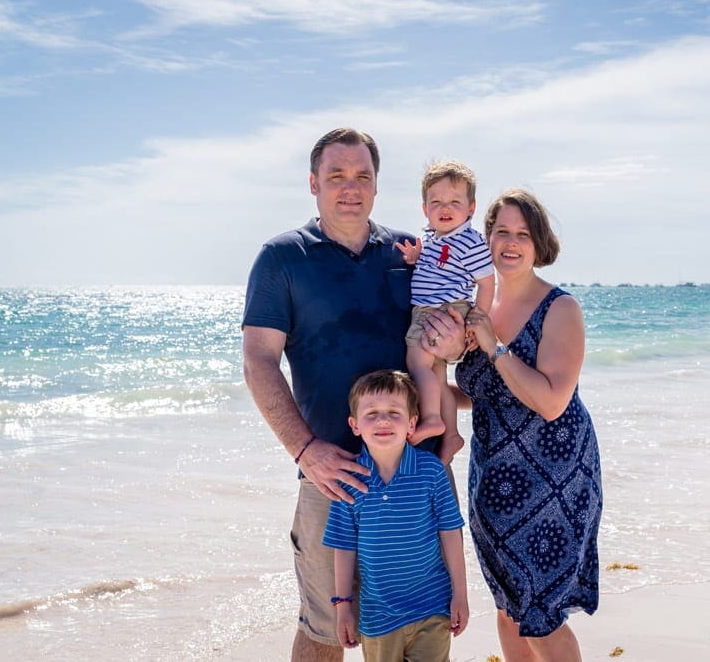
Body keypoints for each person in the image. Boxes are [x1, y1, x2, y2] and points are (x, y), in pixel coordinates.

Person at [241, 127, 466, 661]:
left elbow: (447, 339)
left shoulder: (411, 251)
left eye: (362, 176)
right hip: (332, 476)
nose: (350, 187)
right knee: (327, 629)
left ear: (376, 186)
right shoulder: (281, 259)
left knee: (420, 625)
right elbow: (258, 361)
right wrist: (304, 450)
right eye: (337, 175)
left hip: (417, 472)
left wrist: (459, 344)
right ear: (313, 183)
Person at [455, 189, 603, 662]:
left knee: (540, 613)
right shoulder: (478, 306)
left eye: (523, 234)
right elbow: (476, 395)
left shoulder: (561, 309)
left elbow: (551, 400)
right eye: (501, 232)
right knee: (507, 606)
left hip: (553, 481)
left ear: (539, 244)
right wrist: (427, 371)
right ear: (488, 238)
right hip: (493, 481)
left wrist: (495, 347)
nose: (511, 243)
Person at [322, 369, 469, 661]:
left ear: (412, 423)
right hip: (379, 617)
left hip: (433, 607)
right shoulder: (349, 480)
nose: (383, 420)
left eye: (394, 412)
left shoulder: (431, 471)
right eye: (372, 413)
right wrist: (343, 608)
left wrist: (460, 595)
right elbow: (344, 548)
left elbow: (451, 535)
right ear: (354, 425)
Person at [395, 160, 494, 463]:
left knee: (417, 365)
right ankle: (450, 434)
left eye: (454, 201)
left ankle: (431, 420)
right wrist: (415, 257)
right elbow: (434, 267)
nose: (445, 208)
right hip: (435, 309)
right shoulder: (434, 237)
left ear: (471, 207)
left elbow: (487, 283)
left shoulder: (470, 240)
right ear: (425, 208)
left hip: (439, 310)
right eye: (436, 202)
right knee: (436, 375)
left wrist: (477, 321)